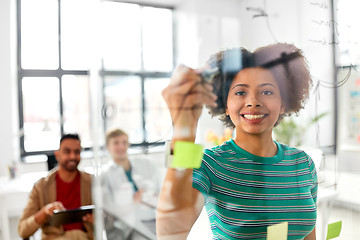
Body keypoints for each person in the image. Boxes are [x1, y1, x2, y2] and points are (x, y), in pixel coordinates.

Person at [156, 43, 318, 240]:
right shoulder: (209, 163)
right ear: (225, 105)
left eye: (266, 92)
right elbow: (169, 234)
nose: (253, 102)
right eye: (240, 92)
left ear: (283, 103)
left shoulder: (303, 163)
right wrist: (183, 129)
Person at [18, 134, 93, 240]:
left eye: (77, 152)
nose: (72, 156)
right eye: (67, 151)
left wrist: (99, 219)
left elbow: (110, 218)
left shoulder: (92, 182)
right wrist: (44, 213)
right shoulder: (41, 187)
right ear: (57, 155)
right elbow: (23, 230)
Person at [102, 128, 160, 206]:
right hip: (124, 216)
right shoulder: (105, 174)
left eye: (124, 142)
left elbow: (157, 190)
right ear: (107, 147)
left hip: (150, 212)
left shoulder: (145, 163)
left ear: (128, 144)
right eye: (116, 143)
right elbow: (110, 206)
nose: (121, 147)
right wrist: (133, 202)